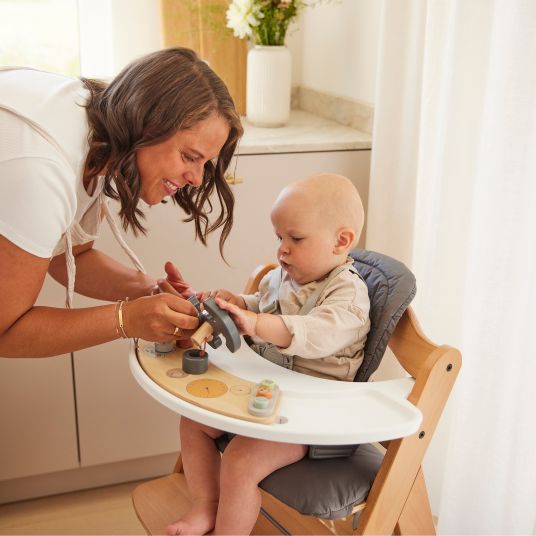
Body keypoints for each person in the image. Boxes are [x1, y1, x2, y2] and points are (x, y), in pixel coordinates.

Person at [0, 47, 243, 358]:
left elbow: (69, 256)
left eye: (204, 163)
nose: (196, 178)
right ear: (146, 125)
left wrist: (148, 290)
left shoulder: (101, 123)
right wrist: (126, 320)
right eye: (189, 157)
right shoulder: (43, 170)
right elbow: (6, 331)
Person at [167, 173, 371, 536]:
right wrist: (237, 305)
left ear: (341, 241)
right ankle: (206, 507)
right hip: (268, 389)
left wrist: (256, 323)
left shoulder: (347, 296)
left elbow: (312, 334)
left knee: (241, 460)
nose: (282, 249)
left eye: (296, 238)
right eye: (279, 237)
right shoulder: (282, 276)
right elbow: (263, 306)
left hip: (310, 417)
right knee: (193, 421)